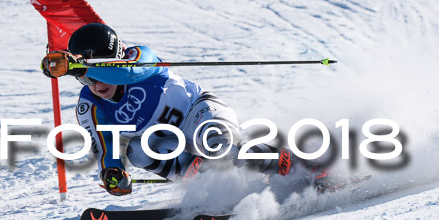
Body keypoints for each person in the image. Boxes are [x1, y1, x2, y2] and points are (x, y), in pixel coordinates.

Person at [41, 23, 300, 196]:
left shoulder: (140, 56)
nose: (96, 85)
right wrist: (112, 171)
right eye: (85, 80)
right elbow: (105, 145)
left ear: (114, 60)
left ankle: (293, 165)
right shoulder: (90, 105)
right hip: (173, 143)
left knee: (215, 146)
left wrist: (85, 68)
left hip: (200, 112)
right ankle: (209, 182)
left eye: (99, 74)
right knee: (137, 151)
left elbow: (131, 72)